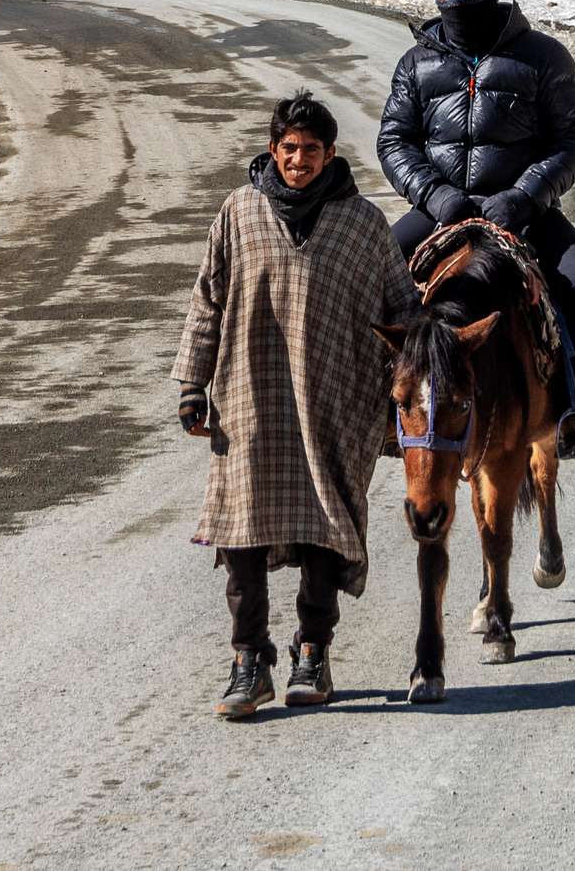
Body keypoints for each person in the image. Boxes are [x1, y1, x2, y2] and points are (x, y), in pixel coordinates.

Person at [177, 93, 413, 719]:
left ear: (331, 153)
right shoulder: (240, 212)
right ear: (272, 150)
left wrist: (407, 397)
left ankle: (314, 648)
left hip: (336, 398)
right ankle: (248, 659)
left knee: (324, 529)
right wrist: (190, 384)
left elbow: (400, 311)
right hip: (247, 395)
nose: (299, 160)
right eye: (289, 149)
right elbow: (208, 299)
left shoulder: (362, 223)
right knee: (241, 528)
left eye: (311, 150)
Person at [377, 0, 575, 457]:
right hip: (439, 210)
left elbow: (571, 141)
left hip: (522, 213)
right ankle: (377, 404)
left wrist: (524, 197)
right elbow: (394, 140)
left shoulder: (543, 56)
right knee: (367, 276)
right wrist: (435, 195)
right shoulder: (416, 63)